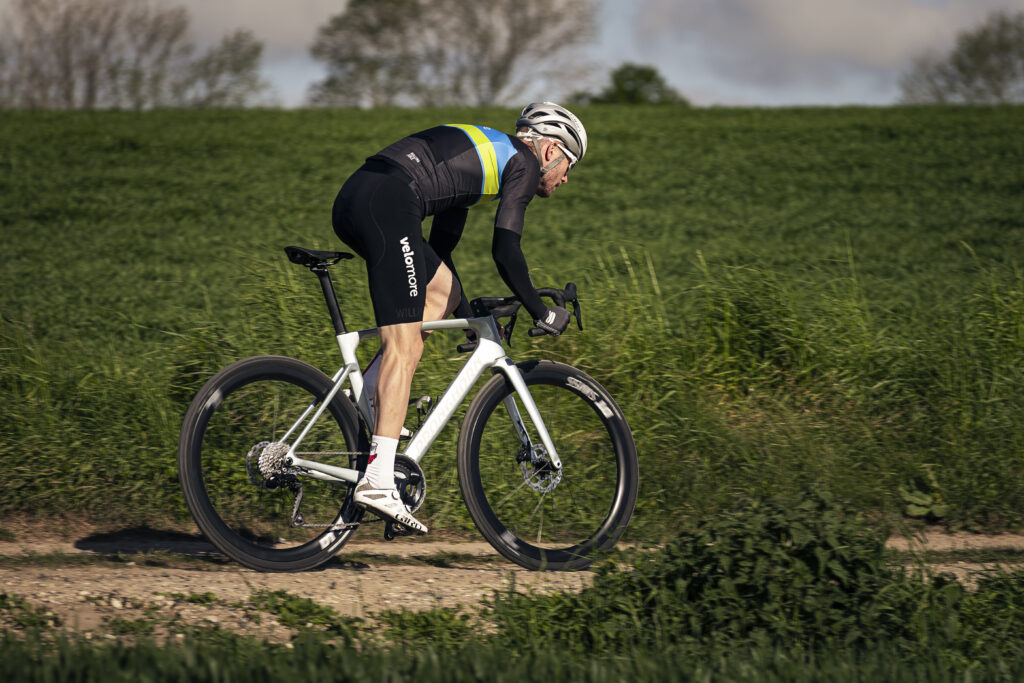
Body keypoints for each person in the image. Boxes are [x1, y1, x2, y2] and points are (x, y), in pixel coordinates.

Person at [331, 102, 587, 534]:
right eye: (569, 166)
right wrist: (542, 312)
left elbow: (440, 252)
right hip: (389, 202)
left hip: (364, 195)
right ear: (549, 151)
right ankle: (377, 481)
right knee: (405, 346)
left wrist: (470, 320)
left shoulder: (483, 164)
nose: (565, 178)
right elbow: (505, 250)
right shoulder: (524, 164)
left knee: (441, 294)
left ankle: (371, 401)